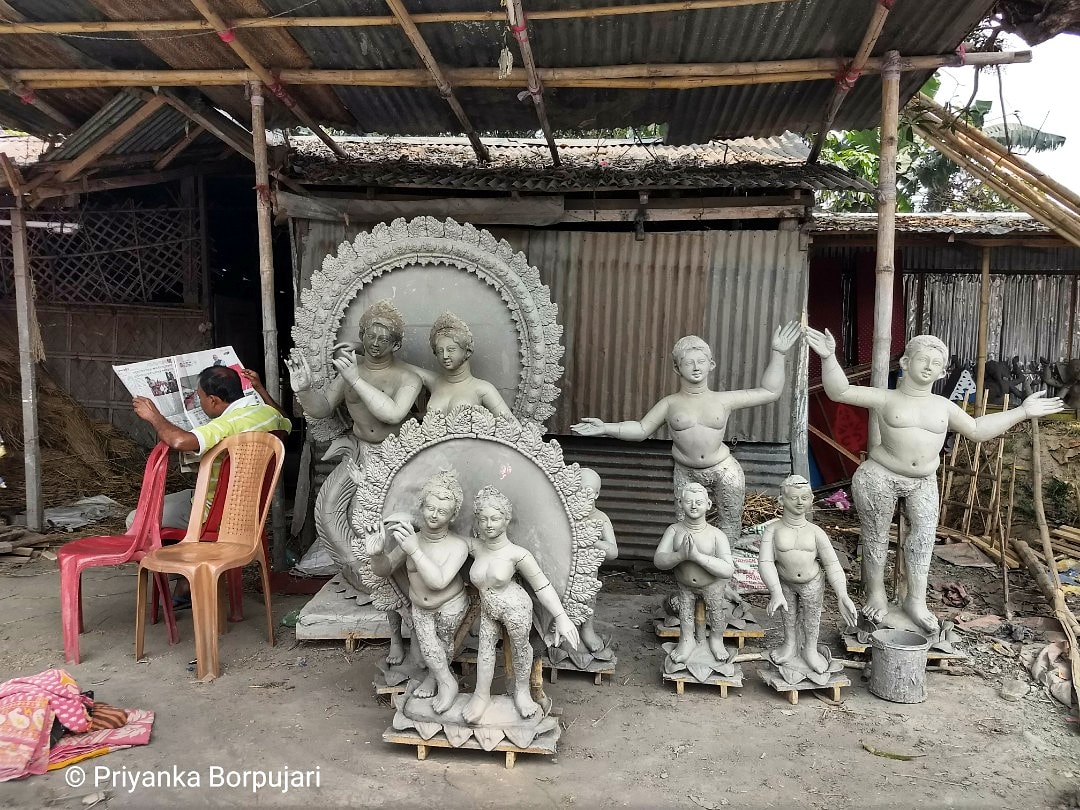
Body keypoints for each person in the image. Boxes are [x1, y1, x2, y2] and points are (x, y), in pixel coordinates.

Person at [806, 327, 1063, 633]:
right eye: (922, 359)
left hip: (923, 479)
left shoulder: (943, 406)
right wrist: (829, 357)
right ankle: (875, 593)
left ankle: (915, 600)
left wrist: (1022, 411)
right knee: (875, 537)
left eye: (935, 363)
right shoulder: (887, 398)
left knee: (923, 539)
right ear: (904, 363)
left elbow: (977, 429)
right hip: (881, 474)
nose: (928, 366)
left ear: (942, 372)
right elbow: (840, 392)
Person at [572, 321, 801, 542]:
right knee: (685, 527)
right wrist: (605, 428)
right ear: (676, 368)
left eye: (701, 361)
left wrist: (778, 353)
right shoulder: (670, 404)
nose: (696, 367)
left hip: (724, 468)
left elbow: (769, 391)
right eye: (688, 362)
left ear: (711, 364)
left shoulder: (723, 400)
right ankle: (690, 575)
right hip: (686, 471)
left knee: (730, 523)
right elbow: (642, 429)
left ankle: (724, 572)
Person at [286, 300, 423, 586]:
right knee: (360, 518)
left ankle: (399, 577)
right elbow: (322, 407)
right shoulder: (352, 369)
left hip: (398, 455)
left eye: (384, 339)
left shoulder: (407, 377)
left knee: (396, 517)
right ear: (361, 336)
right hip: (363, 452)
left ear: (396, 345)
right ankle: (366, 577)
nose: (375, 343)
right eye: (370, 336)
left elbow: (394, 413)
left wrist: (355, 379)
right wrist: (305, 389)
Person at [464, 486, 580, 724]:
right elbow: (442, 536)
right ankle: (481, 695)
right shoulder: (476, 548)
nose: (489, 524)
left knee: (521, 650)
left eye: (495, 518)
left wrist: (561, 617)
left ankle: (522, 693)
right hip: (489, 608)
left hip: (515, 608)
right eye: (483, 519)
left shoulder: (517, 554)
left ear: (506, 520)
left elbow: (543, 586)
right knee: (485, 650)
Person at [370, 471, 470, 714]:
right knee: (425, 653)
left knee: (440, 646)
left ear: (453, 515)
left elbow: (439, 582)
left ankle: (445, 684)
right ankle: (439, 678)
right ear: (421, 506)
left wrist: (415, 551)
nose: (434, 515)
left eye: (443, 511)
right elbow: (385, 570)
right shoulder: (412, 540)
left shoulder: (457, 546)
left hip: (450, 605)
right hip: (420, 607)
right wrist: (376, 554)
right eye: (430, 508)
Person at [758, 475, 857, 675]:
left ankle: (810, 650)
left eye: (804, 497)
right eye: (794, 497)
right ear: (781, 500)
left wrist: (842, 594)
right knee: (788, 615)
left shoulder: (816, 531)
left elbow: (832, 564)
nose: (799, 502)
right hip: (785, 581)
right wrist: (775, 591)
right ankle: (789, 645)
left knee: (812, 618)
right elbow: (765, 562)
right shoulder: (773, 530)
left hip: (812, 582)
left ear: (811, 499)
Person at [653, 483, 734, 664]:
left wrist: (697, 557)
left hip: (712, 586)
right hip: (685, 586)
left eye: (699, 502)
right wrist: (680, 555)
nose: (694, 505)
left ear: (708, 504)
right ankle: (686, 641)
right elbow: (659, 560)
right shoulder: (674, 530)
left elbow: (728, 569)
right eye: (689, 501)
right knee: (686, 617)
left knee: (716, 615)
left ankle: (716, 640)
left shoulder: (716, 534)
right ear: (681, 503)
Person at [408, 312, 514, 419]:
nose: (445, 355)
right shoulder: (435, 382)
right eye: (440, 351)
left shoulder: (483, 389)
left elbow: (514, 428)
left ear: (467, 352)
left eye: (451, 350)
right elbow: (406, 368)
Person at [577, 468, 618, 654]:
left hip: (588, 573)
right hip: (564, 570)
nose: (582, 494)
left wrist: (594, 541)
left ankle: (587, 630)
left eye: (587, 490)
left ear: (597, 494)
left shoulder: (600, 519)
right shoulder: (564, 514)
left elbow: (613, 551)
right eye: (577, 489)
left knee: (588, 601)